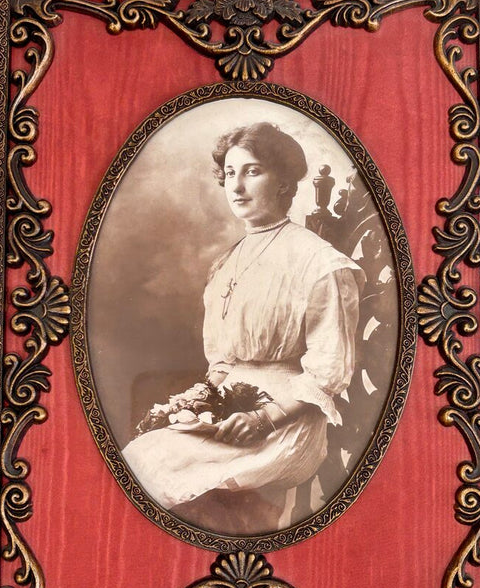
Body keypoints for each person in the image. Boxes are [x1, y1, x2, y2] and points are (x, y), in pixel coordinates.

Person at [122, 122, 363, 535]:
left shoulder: (321, 263)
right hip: (229, 411)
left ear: (284, 182)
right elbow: (221, 360)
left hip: (288, 421)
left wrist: (265, 418)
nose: (236, 186)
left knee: (150, 467)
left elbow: (329, 370)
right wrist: (197, 404)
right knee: (142, 457)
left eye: (252, 171)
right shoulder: (227, 261)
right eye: (230, 173)